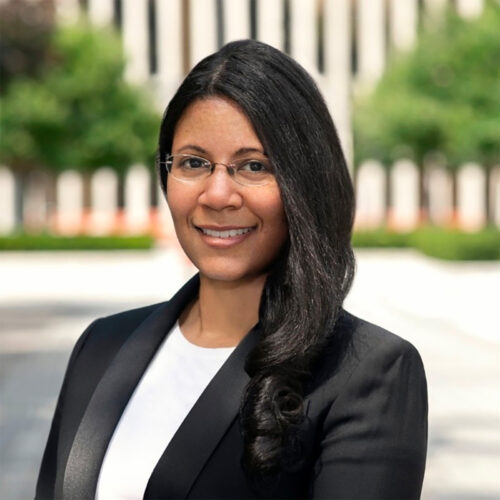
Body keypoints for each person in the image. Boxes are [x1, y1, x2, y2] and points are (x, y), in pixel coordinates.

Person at [36, 40, 427, 499]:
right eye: (194, 163)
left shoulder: (367, 374)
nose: (217, 195)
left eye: (254, 166)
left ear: (305, 182)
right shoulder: (100, 348)